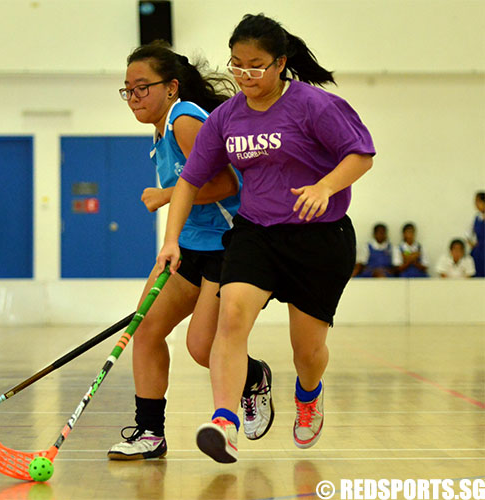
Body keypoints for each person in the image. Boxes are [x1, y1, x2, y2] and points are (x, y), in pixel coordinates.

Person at [155, 13, 374, 463]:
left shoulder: (315, 105)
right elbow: (190, 182)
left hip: (319, 238)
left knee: (307, 350)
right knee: (231, 318)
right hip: (256, 234)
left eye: (255, 65)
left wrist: (325, 186)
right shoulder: (227, 118)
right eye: (237, 64)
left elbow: (361, 154)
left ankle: (308, 395)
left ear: (279, 63)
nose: (244, 75)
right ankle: (224, 422)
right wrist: (170, 240)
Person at [107, 42, 274, 462]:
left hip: (226, 249)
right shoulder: (161, 128)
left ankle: (254, 377)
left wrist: (166, 195)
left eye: (142, 87)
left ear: (171, 87)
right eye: (128, 89)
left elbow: (227, 184)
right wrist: (173, 242)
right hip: (189, 249)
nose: (134, 97)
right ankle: (149, 433)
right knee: (145, 332)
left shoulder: (184, 119)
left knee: (203, 348)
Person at [467, 191, 485, 277]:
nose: (476, 204)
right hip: (479, 250)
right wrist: (471, 243)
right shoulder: (477, 218)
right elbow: (468, 233)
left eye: (478, 201)